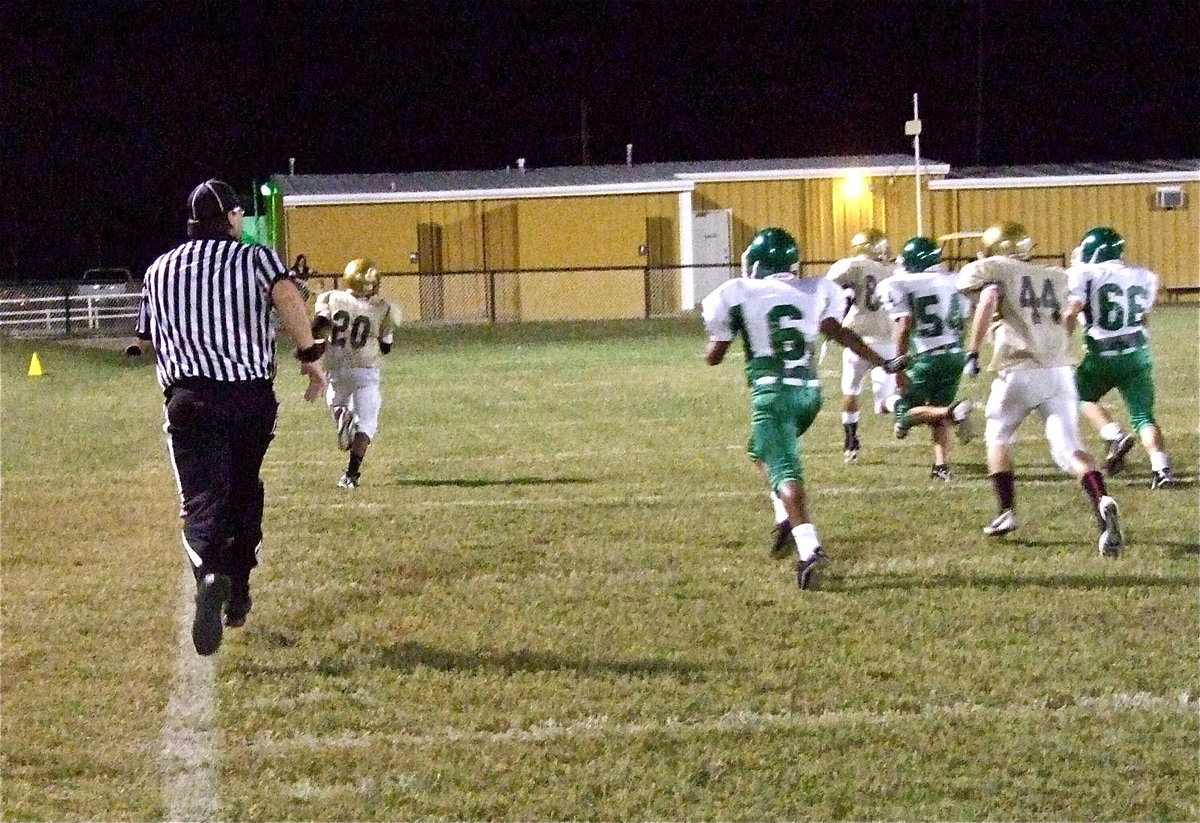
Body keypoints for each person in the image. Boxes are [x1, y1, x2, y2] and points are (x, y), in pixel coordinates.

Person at [134, 179, 328, 656]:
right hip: (249, 397)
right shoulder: (255, 257)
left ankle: (210, 573)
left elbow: (146, 338)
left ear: (192, 223)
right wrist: (308, 354)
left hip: (191, 398)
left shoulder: (159, 269)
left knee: (202, 499)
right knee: (244, 487)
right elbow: (287, 297)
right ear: (234, 219)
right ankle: (238, 587)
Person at [702, 227, 908, 589]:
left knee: (784, 468)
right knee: (759, 450)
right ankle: (784, 516)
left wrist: (720, 339)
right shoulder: (815, 290)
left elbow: (714, 357)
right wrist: (882, 362)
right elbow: (840, 332)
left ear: (758, 261)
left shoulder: (735, 293)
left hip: (773, 393)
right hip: (809, 394)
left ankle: (810, 548)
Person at [957, 221, 1123, 556]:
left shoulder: (998, 270)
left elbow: (987, 298)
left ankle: (1006, 512)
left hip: (1018, 368)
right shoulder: (1055, 275)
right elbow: (1068, 316)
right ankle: (1101, 499)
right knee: (1067, 448)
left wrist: (973, 351)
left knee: (998, 436)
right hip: (1058, 370)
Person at [1063, 227, 1176, 489]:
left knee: (1078, 394)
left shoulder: (1084, 274)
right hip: (1137, 355)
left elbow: (1071, 313)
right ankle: (1161, 469)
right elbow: (1144, 319)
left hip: (1102, 355)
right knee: (1143, 416)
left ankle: (1113, 434)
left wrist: (1060, 346)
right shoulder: (1142, 275)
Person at [878, 236, 974, 481]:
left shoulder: (899, 284)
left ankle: (953, 414)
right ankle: (941, 466)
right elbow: (964, 320)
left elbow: (905, 324)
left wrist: (898, 364)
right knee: (935, 411)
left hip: (925, 357)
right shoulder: (956, 280)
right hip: (954, 354)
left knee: (904, 411)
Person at [313, 258, 399, 489]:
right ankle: (350, 474)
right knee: (367, 424)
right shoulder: (382, 307)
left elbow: (318, 325)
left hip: (336, 367)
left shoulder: (331, 297)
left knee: (337, 402)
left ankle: (342, 414)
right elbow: (386, 346)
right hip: (365, 369)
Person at [825, 228, 898, 462]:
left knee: (851, 390)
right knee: (886, 402)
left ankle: (850, 442)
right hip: (886, 338)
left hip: (856, 338)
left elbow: (828, 286)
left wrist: (845, 295)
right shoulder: (894, 270)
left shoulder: (852, 266)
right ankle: (907, 416)